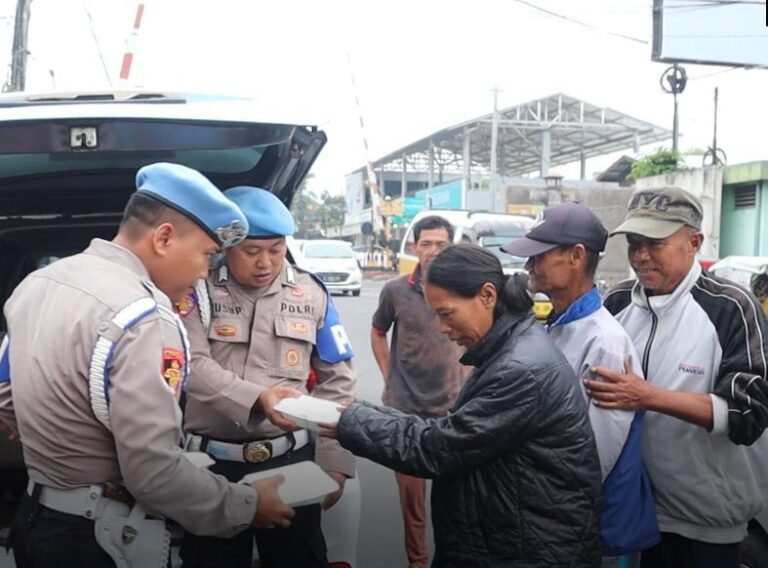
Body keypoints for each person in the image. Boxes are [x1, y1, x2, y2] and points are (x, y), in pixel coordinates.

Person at [0, 163, 295, 568]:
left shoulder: (38, 285)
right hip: (99, 536)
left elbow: (7, 400)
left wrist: (58, 444)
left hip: (36, 519)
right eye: (207, 255)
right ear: (164, 237)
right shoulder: (143, 315)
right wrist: (247, 505)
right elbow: (153, 472)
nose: (203, 274)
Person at [333, 243, 602, 567]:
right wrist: (355, 411)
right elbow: (451, 432)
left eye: (446, 314)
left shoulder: (520, 370)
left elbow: (438, 448)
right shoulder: (511, 348)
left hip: (530, 550)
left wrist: (346, 420)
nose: (442, 328)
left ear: (487, 295)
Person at [585, 187, 768, 568]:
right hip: (633, 510)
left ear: (694, 242)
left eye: (655, 243)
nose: (640, 256)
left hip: (707, 522)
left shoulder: (731, 307)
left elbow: (748, 414)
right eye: (634, 244)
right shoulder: (617, 302)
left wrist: (648, 396)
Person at [178, 186, 357, 568]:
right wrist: (258, 398)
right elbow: (191, 364)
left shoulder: (311, 293)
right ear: (226, 246)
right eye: (252, 251)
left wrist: (334, 460)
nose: (265, 263)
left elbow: (338, 381)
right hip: (212, 468)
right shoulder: (196, 289)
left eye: (276, 250)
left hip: (291, 464)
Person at [502, 202, 659, 567]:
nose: (529, 266)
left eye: (539, 256)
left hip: (591, 528)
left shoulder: (605, 343)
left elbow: (594, 458)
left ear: (575, 256)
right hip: (559, 522)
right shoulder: (558, 325)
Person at [370, 214, 467, 568]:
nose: (433, 251)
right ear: (414, 247)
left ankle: (452, 557)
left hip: (453, 407)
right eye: (426, 244)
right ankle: (418, 561)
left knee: (454, 494)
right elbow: (378, 331)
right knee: (412, 499)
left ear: (451, 247)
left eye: (441, 244)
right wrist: (389, 375)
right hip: (406, 407)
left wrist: (469, 378)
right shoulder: (395, 291)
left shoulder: (464, 288)